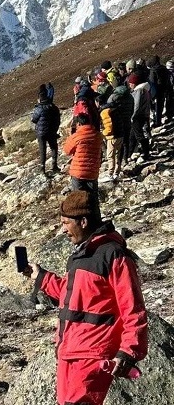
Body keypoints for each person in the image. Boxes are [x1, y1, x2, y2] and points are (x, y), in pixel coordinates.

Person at [26, 190, 147, 405]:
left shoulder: (114, 255)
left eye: (66, 223)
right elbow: (71, 296)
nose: (63, 230)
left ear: (82, 221)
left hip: (93, 354)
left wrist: (128, 352)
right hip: (68, 351)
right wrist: (41, 278)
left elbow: (133, 308)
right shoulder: (82, 255)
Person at [63, 114, 103, 195]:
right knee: (93, 198)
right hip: (93, 172)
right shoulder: (98, 135)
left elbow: (67, 151)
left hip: (78, 172)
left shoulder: (76, 136)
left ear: (79, 124)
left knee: (79, 199)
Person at [100, 83, 134, 171]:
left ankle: (112, 167)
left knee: (113, 147)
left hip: (117, 123)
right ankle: (125, 158)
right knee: (125, 141)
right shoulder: (130, 97)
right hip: (127, 121)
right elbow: (132, 109)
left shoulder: (113, 97)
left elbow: (108, 109)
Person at [32, 85, 61, 175]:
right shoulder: (53, 107)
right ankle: (54, 166)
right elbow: (57, 120)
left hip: (41, 133)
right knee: (54, 148)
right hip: (52, 132)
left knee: (42, 150)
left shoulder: (38, 109)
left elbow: (34, 119)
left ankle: (42, 168)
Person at [128, 73, 151, 161]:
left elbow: (136, 105)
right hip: (143, 115)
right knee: (133, 136)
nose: (129, 85)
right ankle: (130, 154)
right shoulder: (144, 90)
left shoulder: (139, 91)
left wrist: (132, 116)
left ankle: (146, 153)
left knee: (138, 135)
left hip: (137, 116)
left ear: (134, 83)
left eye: (130, 83)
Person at [147, 55, 170, 127]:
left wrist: (152, 95)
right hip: (164, 89)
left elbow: (152, 82)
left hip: (156, 90)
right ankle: (159, 121)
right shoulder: (164, 68)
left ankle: (156, 122)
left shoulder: (153, 70)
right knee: (161, 105)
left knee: (156, 107)